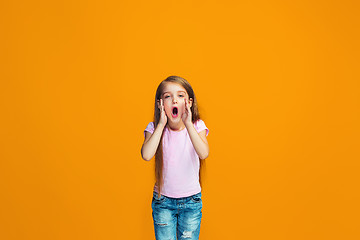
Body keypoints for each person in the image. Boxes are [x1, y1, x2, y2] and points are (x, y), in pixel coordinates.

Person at [141, 75, 209, 240]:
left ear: (189, 102)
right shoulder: (154, 128)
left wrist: (188, 123)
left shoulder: (196, 126)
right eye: (167, 97)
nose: (174, 101)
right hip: (163, 203)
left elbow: (204, 152)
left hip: (191, 203)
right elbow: (146, 154)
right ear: (160, 104)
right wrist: (161, 124)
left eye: (180, 95)